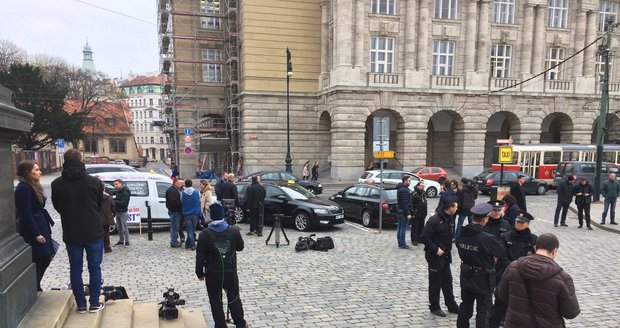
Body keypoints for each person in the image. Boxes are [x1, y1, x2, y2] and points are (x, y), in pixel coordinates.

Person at [51, 148, 105, 313]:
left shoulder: (57, 184)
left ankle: (81, 304)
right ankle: (95, 303)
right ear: (81, 160)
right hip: (93, 231)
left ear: (65, 162)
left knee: (75, 268)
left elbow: (57, 206)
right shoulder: (94, 182)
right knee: (94, 267)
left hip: (72, 232)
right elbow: (99, 204)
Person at [498, 233, 580, 327]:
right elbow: (571, 313)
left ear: (535, 248)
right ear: (554, 251)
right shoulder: (563, 278)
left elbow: (502, 295)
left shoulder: (513, 267)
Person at [195, 203, 247, 328]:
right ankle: (240, 323)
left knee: (215, 301)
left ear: (211, 217)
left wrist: (199, 272)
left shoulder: (204, 234)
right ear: (223, 216)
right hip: (229, 271)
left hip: (213, 272)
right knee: (234, 298)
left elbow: (200, 256)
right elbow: (240, 247)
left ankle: (220, 325)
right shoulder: (233, 230)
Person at [456, 202, 505, 328]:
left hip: (466, 274)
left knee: (465, 306)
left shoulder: (462, 233)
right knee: (483, 310)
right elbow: (500, 252)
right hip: (483, 277)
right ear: (485, 219)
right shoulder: (486, 238)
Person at [487, 211, 538, 328]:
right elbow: (502, 255)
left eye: (522, 223)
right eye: (517, 222)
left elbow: (535, 259)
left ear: (527, 224)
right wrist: (513, 268)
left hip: (525, 277)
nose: (518, 224)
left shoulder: (533, 240)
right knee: (500, 304)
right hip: (506, 275)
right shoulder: (506, 236)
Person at [15, 160, 56, 291]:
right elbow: (25, 213)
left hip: (41, 223)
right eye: (36, 170)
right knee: (39, 258)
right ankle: (34, 287)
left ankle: (36, 286)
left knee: (46, 257)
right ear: (28, 172)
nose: (40, 172)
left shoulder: (33, 185)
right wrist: (36, 233)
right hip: (34, 227)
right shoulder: (23, 188)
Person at [420, 194, 460, 317]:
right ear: (450, 207)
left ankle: (451, 305)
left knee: (448, 281)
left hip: (446, 256)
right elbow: (424, 237)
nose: (457, 208)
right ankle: (434, 306)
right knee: (435, 283)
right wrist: (435, 248)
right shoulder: (434, 220)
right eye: (456, 206)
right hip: (435, 256)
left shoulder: (450, 218)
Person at [181, 179, 201, 250]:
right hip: (195, 213)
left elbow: (181, 202)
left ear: (185, 185)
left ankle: (187, 244)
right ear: (191, 184)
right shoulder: (197, 192)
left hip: (186, 213)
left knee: (189, 229)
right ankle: (193, 245)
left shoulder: (183, 193)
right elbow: (199, 201)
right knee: (192, 230)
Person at [112, 179, 131, 247]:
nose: (115, 186)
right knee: (119, 227)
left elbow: (123, 203)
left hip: (123, 211)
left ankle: (127, 241)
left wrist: (113, 201)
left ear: (121, 184)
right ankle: (121, 240)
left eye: (116, 184)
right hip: (117, 211)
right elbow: (113, 192)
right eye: (114, 184)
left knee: (124, 227)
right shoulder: (118, 191)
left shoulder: (125, 192)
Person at [166, 177, 184, 247]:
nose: (182, 184)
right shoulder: (172, 191)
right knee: (174, 227)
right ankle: (173, 242)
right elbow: (174, 202)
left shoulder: (175, 190)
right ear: (175, 183)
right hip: (174, 211)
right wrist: (182, 203)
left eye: (183, 183)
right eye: (181, 183)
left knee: (175, 227)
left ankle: (175, 240)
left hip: (174, 211)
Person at [396, 175, 412, 249]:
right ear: (405, 181)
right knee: (403, 228)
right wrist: (408, 213)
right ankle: (402, 243)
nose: (410, 182)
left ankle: (400, 242)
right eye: (409, 180)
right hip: (403, 212)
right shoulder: (405, 190)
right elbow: (405, 203)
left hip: (400, 211)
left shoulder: (400, 189)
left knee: (400, 227)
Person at [410, 180, 427, 246]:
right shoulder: (414, 193)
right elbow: (411, 204)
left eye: (423, 186)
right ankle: (414, 240)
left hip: (423, 213)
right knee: (415, 227)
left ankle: (420, 239)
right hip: (416, 214)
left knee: (421, 227)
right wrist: (413, 212)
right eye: (421, 186)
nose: (423, 187)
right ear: (418, 186)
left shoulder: (424, 193)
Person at [100, 185, 115, 253]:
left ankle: (99, 248)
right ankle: (107, 247)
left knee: (99, 233)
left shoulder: (95, 197)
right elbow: (113, 207)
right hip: (107, 217)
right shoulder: (109, 197)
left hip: (98, 218)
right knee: (106, 233)